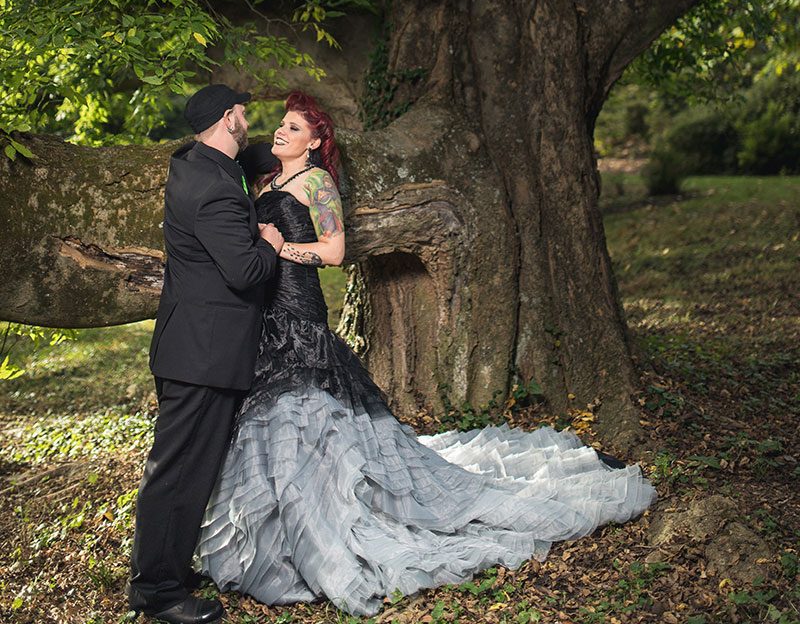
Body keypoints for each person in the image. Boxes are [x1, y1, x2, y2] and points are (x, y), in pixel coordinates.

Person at [195, 91, 657, 618]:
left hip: (299, 315)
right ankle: (278, 531)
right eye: (281, 124)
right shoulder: (267, 181)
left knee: (308, 419)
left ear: (317, 142)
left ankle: (323, 529)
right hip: (265, 320)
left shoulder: (317, 183)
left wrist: (281, 249)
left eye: (295, 127)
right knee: (271, 424)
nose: (281, 131)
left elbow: (336, 252)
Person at [128, 84, 285, 624]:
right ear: (226, 117)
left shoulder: (196, 164)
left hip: (191, 344)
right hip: (203, 353)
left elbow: (248, 159)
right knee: (177, 474)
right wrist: (269, 241)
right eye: (242, 111)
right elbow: (246, 271)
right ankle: (157, 592)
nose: (248, 118)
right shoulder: (214, 190)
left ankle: (167, 569)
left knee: (189, 470)